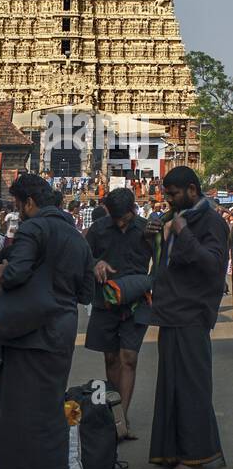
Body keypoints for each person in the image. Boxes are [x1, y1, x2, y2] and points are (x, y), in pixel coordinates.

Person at [0, 173, 94, 469]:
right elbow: (87, 291)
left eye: (19, 205)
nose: (19, 212)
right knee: (51, 407)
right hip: (62, 331)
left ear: (30, 203)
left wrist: (0, 272)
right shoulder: (77, 236)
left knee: (18, 413)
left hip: (28, 333)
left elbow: (15, 274)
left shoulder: (33, 228)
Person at [148, 167, 230, 469]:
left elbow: (212, 265)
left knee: (191, 386)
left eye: (173, 194)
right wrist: (153, 237)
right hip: (172, 313)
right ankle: (173, 451)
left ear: (192, 190)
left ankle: (194, 458)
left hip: (192, 314)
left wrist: (183, 231)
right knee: (172, 386)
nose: (167, 199)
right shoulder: (174, 217)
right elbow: (164, 262)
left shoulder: (210, 222)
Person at [85, 187, 155, 438]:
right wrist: (96, 263)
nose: (119, 223)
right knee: (111, 358)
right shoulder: (98, 229)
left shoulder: (148, 228)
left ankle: (121, 420)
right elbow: (82, 256)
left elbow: (163, 261)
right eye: (114, 218)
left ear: (133, 210)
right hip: (106, 301)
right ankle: (114, 414)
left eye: (123, 218)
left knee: (129, 357)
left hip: (137, 302)